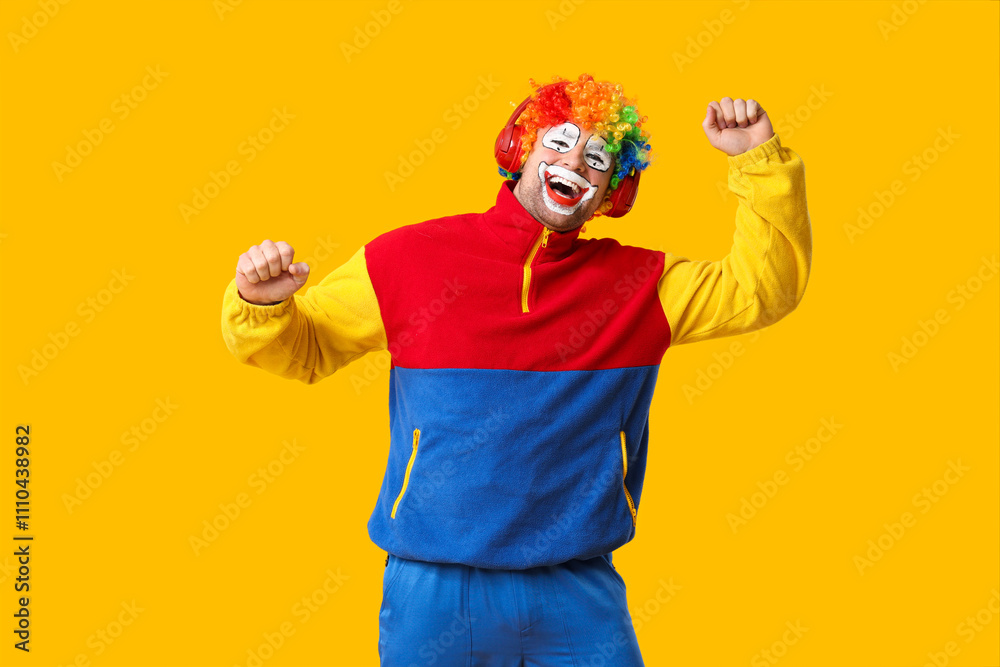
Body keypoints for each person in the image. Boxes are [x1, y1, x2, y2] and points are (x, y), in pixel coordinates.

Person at [220, 73, 812, 665]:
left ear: (611, 193)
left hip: (579, 585)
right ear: (521, 150)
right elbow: (303, 350)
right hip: (436, 588)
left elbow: (764, 289)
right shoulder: (408, 260)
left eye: (598, 158)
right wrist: (262, 302)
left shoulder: (643, 286)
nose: (575, 163)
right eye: (559, 141)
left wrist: (758, 161)